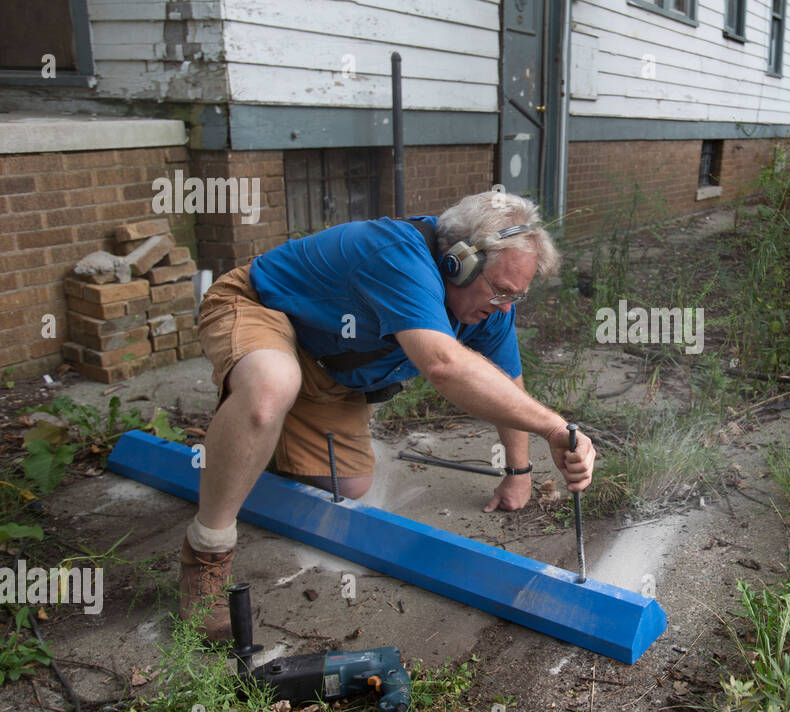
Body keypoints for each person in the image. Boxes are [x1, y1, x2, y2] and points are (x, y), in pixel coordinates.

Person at [180, 190, 596, 640]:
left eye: (518, 295)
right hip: (262, 310)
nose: (506, 307)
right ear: (459, 262)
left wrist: (519, 471)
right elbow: (443, 365)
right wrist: (556, 427)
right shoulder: (397, 254)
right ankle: (207, 550)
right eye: (500, 291)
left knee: (349, 487)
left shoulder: (490, 308)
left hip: (329, 374)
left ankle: (251, 445)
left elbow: (507, 382)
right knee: (269, 389)